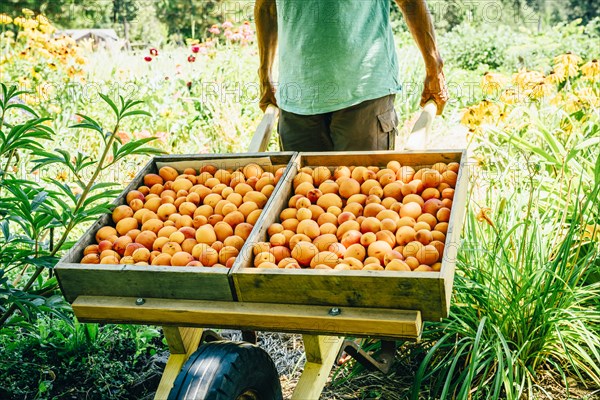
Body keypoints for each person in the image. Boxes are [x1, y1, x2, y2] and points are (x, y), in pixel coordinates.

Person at [255, 0, 448, 151]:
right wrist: (264, 74)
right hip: (297, 98)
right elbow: (266, 6)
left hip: (363, 93)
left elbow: (409, 2)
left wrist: (434, 67)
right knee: (303, 198)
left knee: (365, 194)